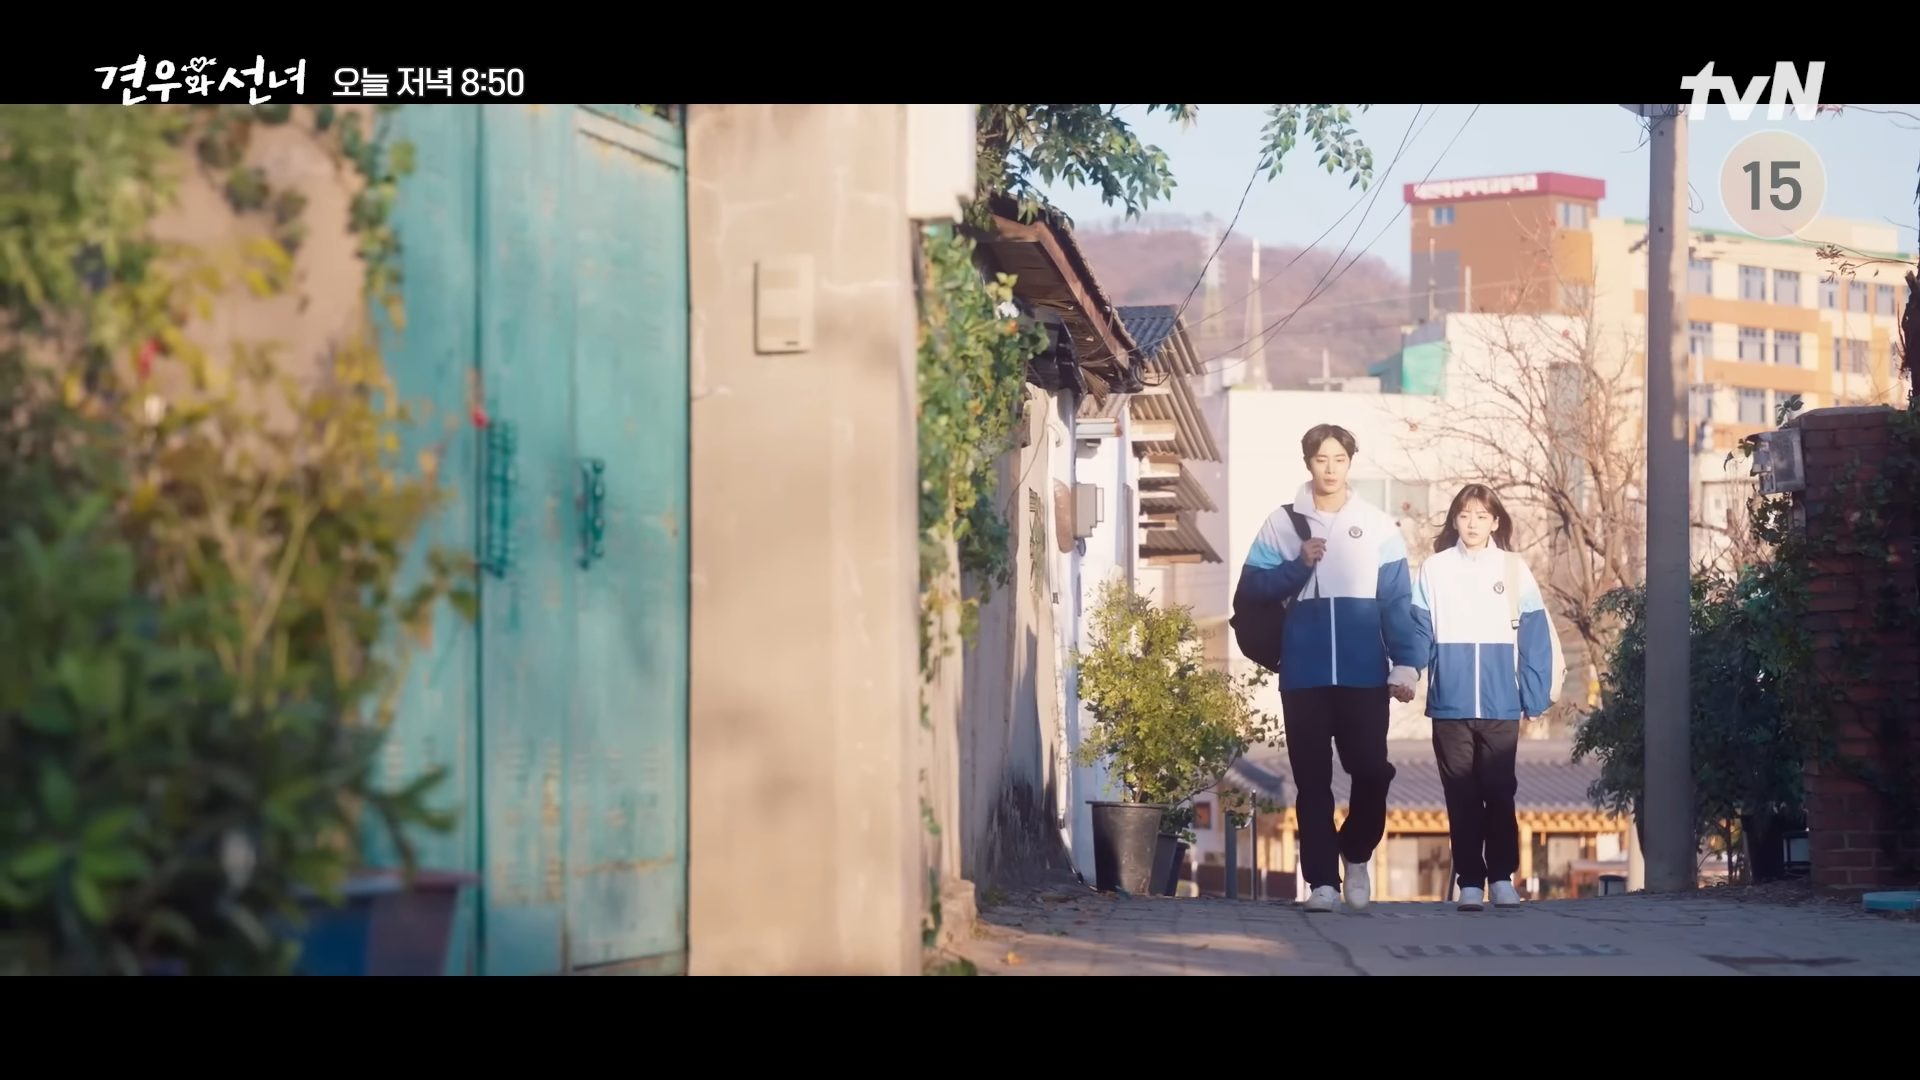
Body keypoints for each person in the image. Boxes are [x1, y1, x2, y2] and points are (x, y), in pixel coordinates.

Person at [1238, 424, 1423, 913]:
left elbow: (1397, 602)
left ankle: (1356, 852)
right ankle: (1323, 882)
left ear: (1349, 463)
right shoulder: (1281, 523)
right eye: (1322, 459)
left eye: (1339, 459)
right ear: (1308, 463)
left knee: (1373, 771)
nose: (1330, 468)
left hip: (1365, 675)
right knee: (1312, 783)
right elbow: (1251, 589)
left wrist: (1406, 664)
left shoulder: (1378, 525)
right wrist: (1297, 565)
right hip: (1304, 675)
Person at [1409, 483, 1554, 912]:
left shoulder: (1513, 568)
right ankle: (1470, 882)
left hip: (1501, 702)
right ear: (1454, 520)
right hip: (1449, 702)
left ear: (1495, 522)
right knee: (1461, 795)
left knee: (1500, 790)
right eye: (1465, 514)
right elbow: (1419, 630)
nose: (1472, 523)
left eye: (1481, 516)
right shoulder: (1434, 569)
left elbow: (1535, 634)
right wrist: (1407, 672)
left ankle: (1502, 878)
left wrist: (1533, 694)